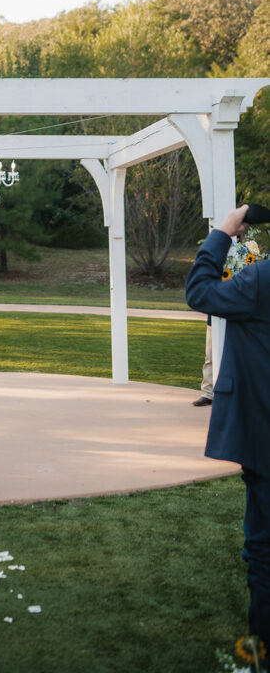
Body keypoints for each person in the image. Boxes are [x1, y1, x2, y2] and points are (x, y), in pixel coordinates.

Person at [185, 204, 270, 658]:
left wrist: (221, 233)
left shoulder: (260, 281)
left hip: (263, 437)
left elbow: (199, 291)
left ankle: (262, 645)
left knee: (262, 547)